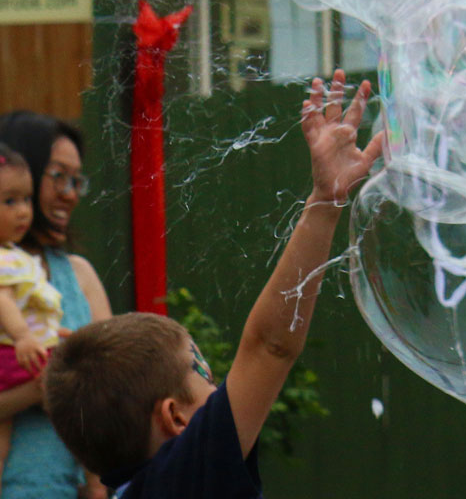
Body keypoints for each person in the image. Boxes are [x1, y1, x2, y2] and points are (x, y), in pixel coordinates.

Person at [45, 69, 384, 498]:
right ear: (175, 417)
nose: (220, 381)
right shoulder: (187, 474)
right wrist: (325, 201)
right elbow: (270, 346)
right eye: (203, 371)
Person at [0, 111, 112, 499]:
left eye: (76, 180)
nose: (70, 192)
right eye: (57, 176)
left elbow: (114, 400)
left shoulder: (79, 275)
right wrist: (45, 384)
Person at [0, 143, 63, 487]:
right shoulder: (4, 259)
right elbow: (3, 300)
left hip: (20, 349)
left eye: (25, 199)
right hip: (17, 353)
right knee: (72, 390)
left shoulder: (14, 255)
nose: (23, 212)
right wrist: (24, 335)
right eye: (9, 202)